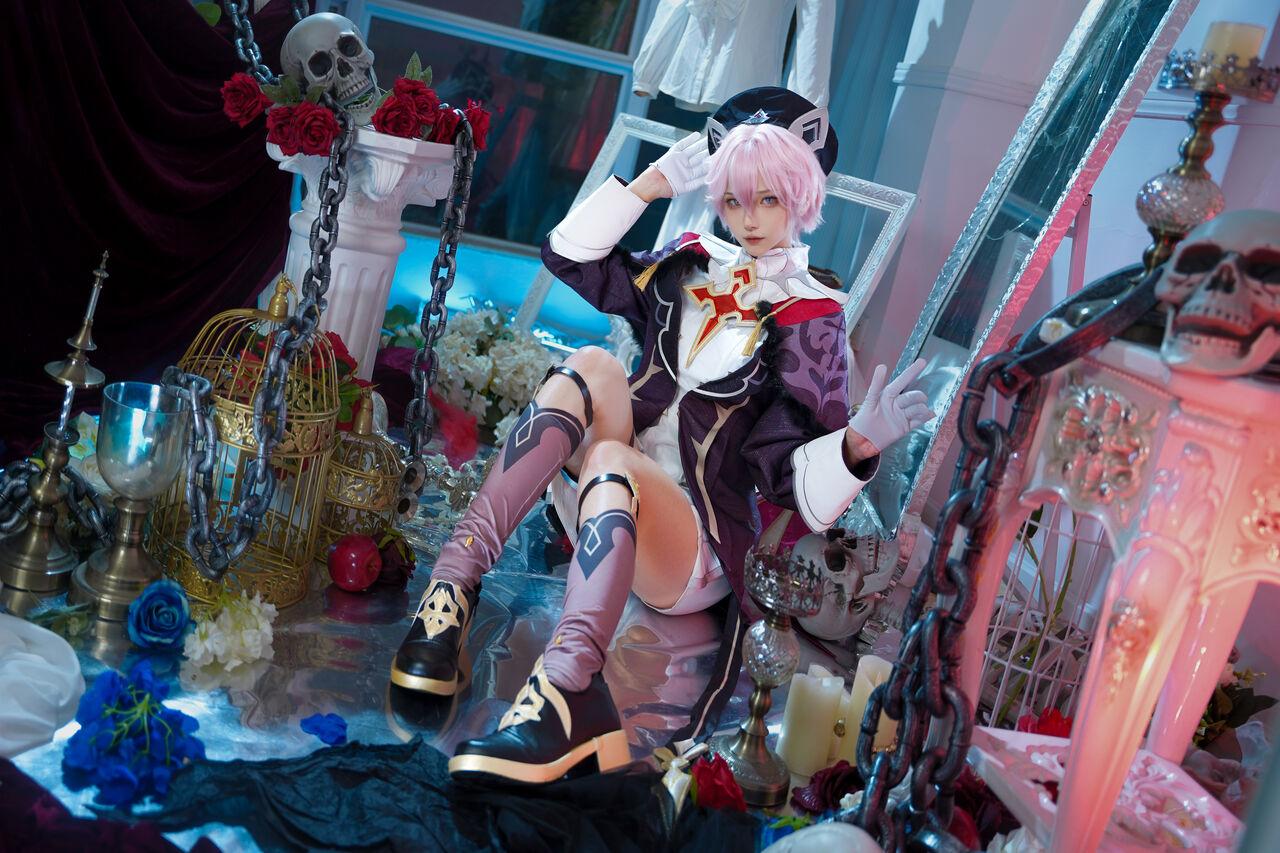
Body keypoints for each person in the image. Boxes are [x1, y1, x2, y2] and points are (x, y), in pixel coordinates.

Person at [390, 87, 933, 784]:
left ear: (801, 197)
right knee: (593, 364)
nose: (748, 217)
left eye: (768, 199)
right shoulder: (687, 261)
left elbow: (792, 488)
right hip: (605, 497)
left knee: (613, 459)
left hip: (692, 546)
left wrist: (857, 445)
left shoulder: (812, 316)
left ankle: (567, 689)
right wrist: (649, 184)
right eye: (734, 197)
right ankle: (450, 595)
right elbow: (569, 258)